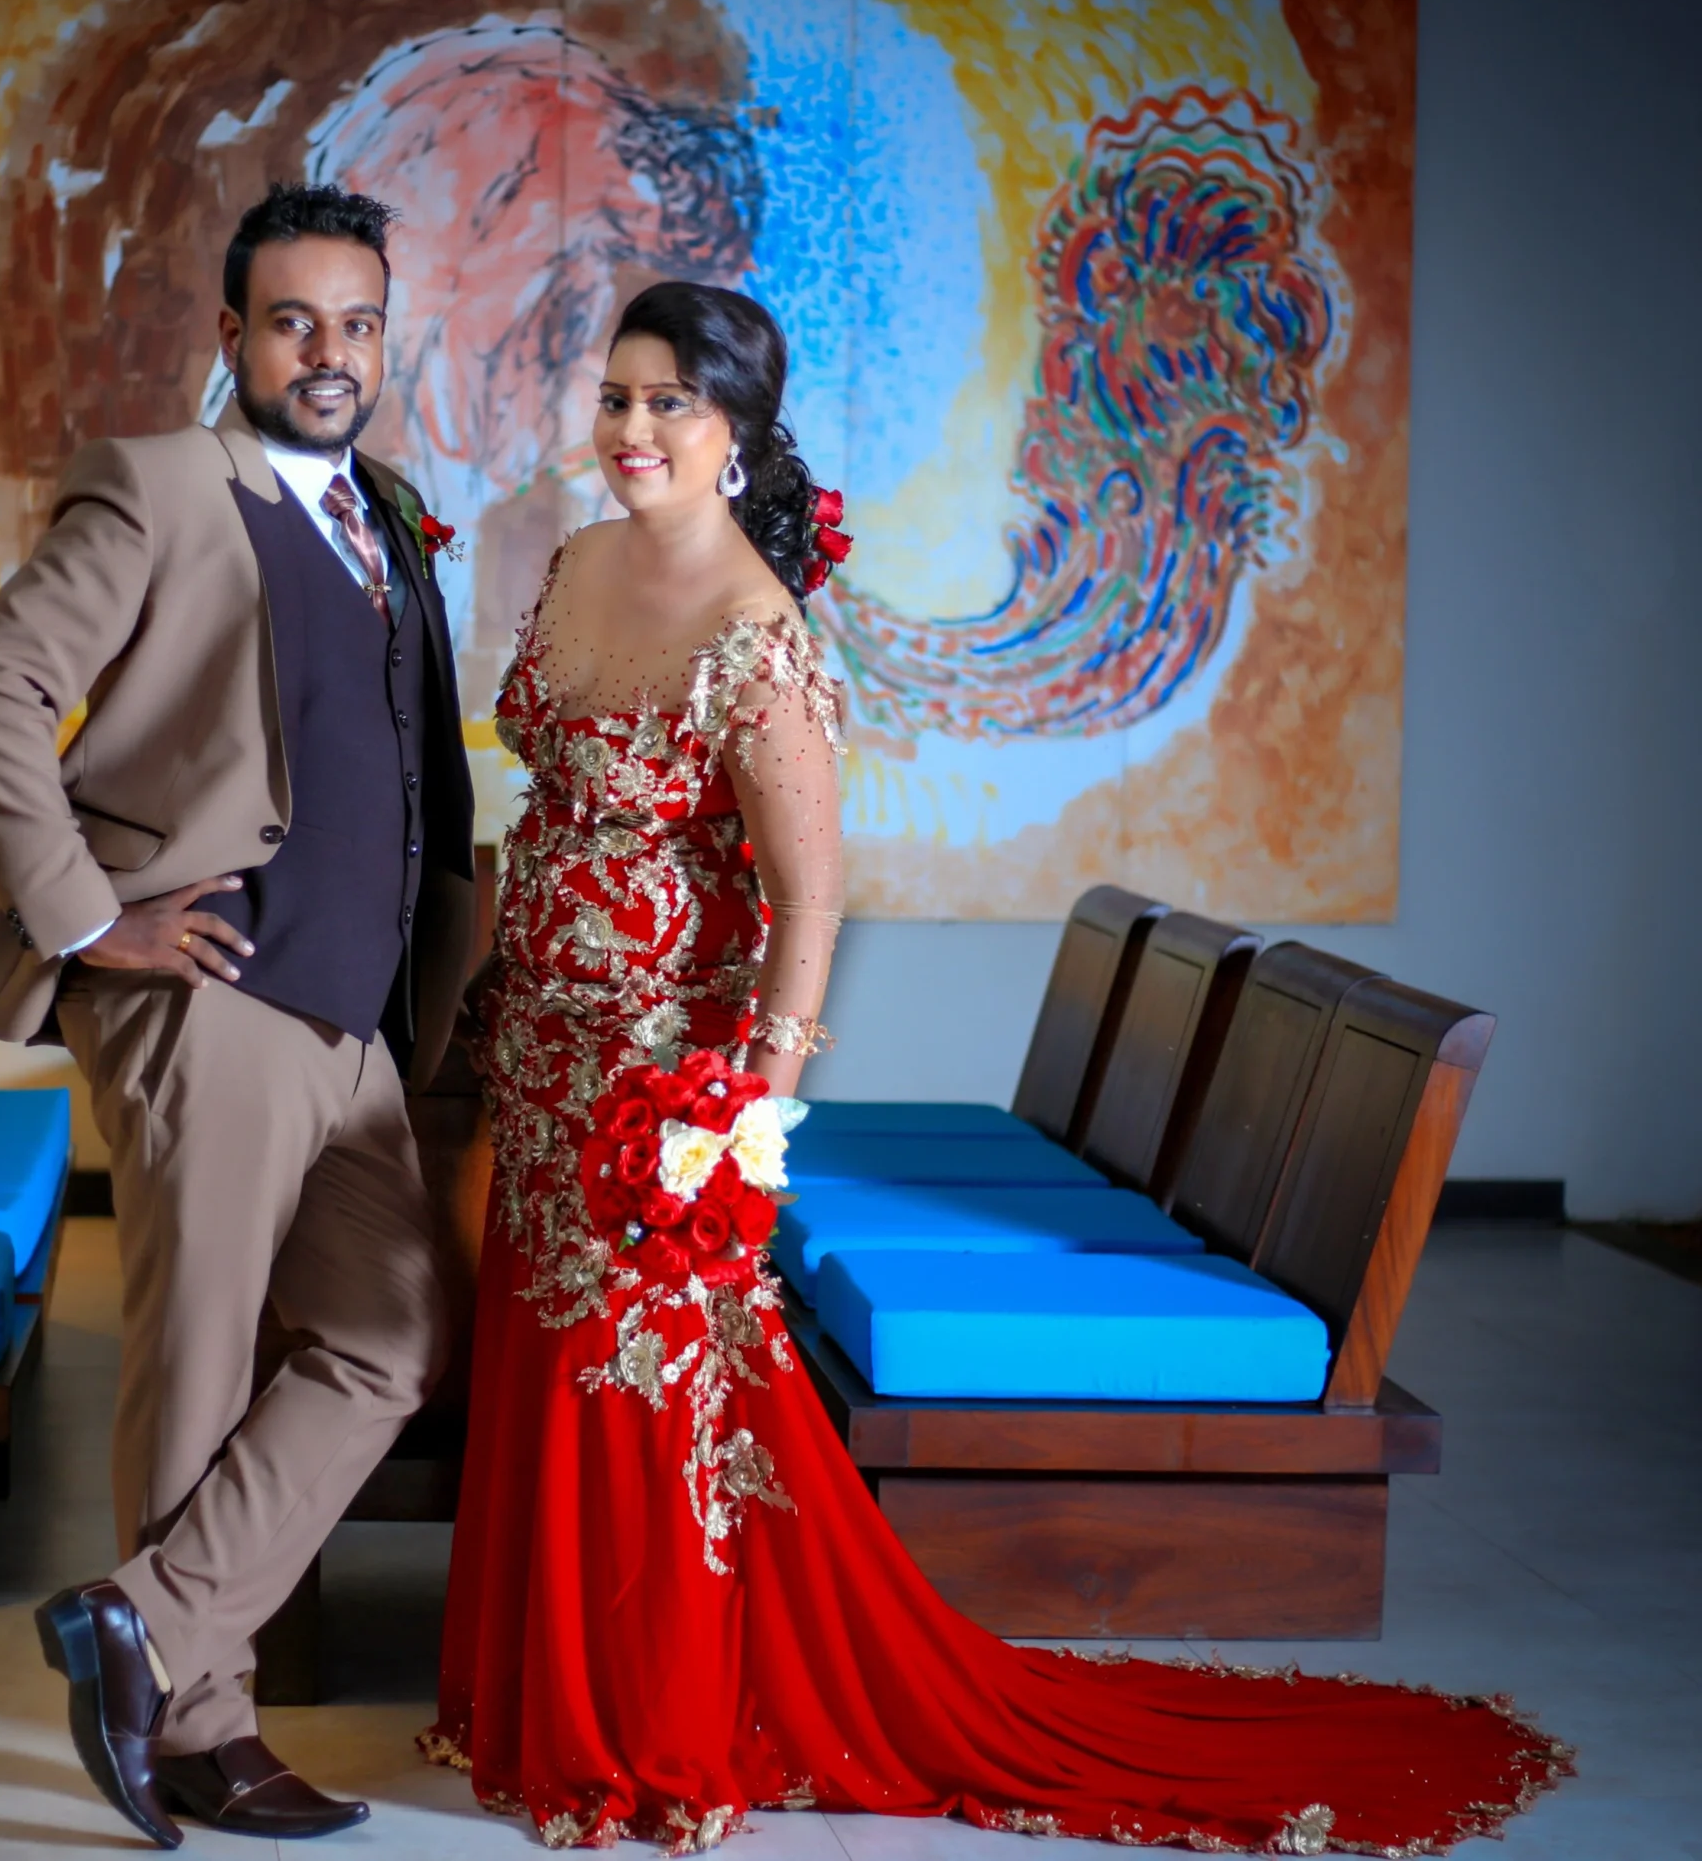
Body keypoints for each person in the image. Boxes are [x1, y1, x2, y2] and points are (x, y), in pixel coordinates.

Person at [425, 280, 1572, 1854]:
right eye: (616, 397)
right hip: (543, 1054)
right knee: (553, 1375)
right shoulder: (570, 569)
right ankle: (538, 1699)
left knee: (652, 1396)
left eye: (667, 404)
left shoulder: (762, 639)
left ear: (737, 432)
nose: (630, 430)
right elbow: (546, 811)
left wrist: (748, 1104)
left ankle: (651, 1726)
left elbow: (809, 898)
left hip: (662, 1083)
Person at [0, 181, 475, 1848]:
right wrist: (91, 920)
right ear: (229, 334)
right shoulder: (165, 487)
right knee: (200, 1362)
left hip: (356, 1020)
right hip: (213, 1001)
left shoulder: (390, 506)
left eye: (358, 322)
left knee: (392, 1337)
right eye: (294, 320)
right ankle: (196, 1731)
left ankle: (148, 1626)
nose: (330, 352)